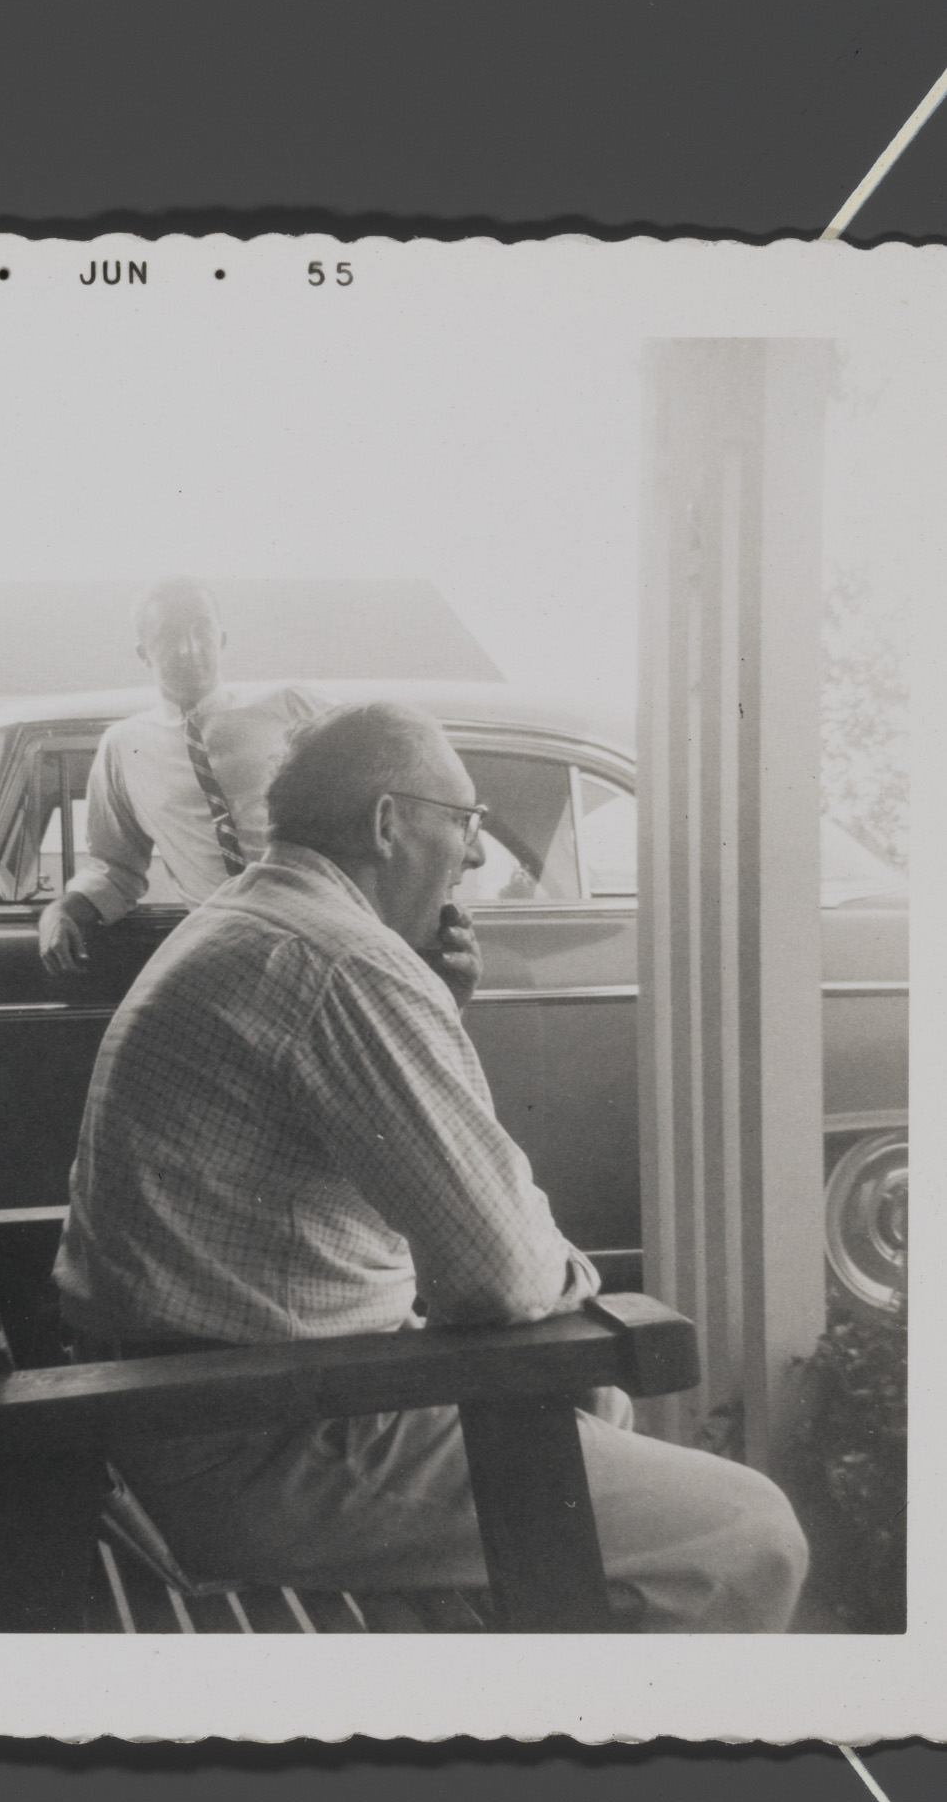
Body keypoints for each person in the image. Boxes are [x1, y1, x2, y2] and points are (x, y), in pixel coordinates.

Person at [53, 701, 809, 1631]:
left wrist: (431, 1009)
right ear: (388, 823)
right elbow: (499, 1275)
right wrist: (569, 1275)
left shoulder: (255, 917)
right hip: (261, 1445)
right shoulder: (343, 963)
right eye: (465, 821)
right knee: (748, 1534)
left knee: (590, 1409)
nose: (478, 855)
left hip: (186, 1416)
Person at [39, 576, 326, 974]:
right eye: (168, 636)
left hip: (325, 933)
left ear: (222, 639)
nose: (189, 649)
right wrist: (60, 911)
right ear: (144, 653)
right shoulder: (123, 747)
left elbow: (386, 793)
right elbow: (115, 872)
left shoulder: (293, 706)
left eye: (201, 631)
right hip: (229, 956)